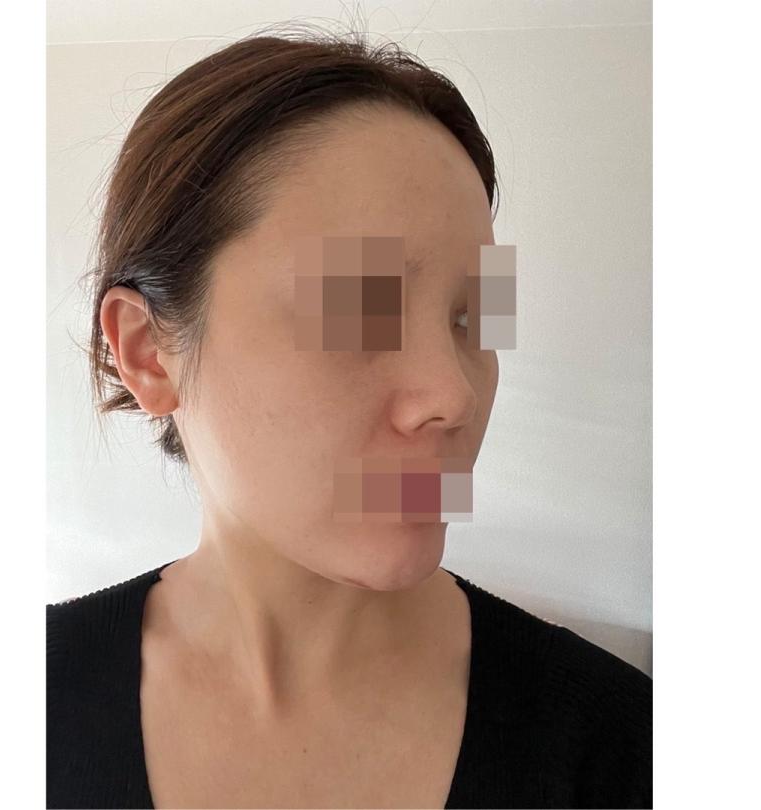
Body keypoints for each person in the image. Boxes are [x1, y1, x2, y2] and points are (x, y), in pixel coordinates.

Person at [47, 26, 651, 809]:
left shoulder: (627, 750)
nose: (454, 397)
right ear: (149, 353)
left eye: (470, 320)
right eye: (361, 310)